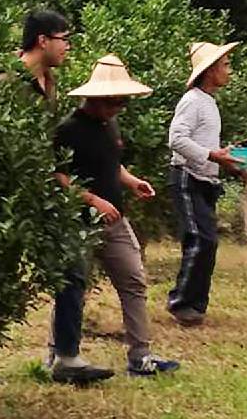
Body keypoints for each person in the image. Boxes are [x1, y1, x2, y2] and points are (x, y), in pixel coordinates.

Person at [46, 55, 182, 384]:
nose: (118, 107)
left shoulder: (111, 125)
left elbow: (111, 165)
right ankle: (61, 354)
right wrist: (92, 200)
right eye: (113, 102)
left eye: (122, 101)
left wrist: (131, 181)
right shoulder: (68, 129)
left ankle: (141, 356)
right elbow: (57, 175)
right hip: (79, 221)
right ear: (94, 98)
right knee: (72, 285)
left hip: (115, 221)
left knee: (133, 280)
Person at [0, 8, 74, 387]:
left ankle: (60, 353)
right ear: (42, 40)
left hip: (35, 190)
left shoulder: (50, 83)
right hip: (2, 193)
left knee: (46, 267)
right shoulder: (6, 79)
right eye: (64, 39)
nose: (68, 47)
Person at [166, 41, 244, 325]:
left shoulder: (208, 102)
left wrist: (228, 162)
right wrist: (211, 155)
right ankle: (181, 302)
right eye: (225, 65)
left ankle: (195, 305)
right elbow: (176, 139)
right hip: (187, 177)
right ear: (209, 70)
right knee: (201, 240)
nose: (229, 71)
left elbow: (201, 143)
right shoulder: (192, 101)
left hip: (205, 179)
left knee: (207, 242)